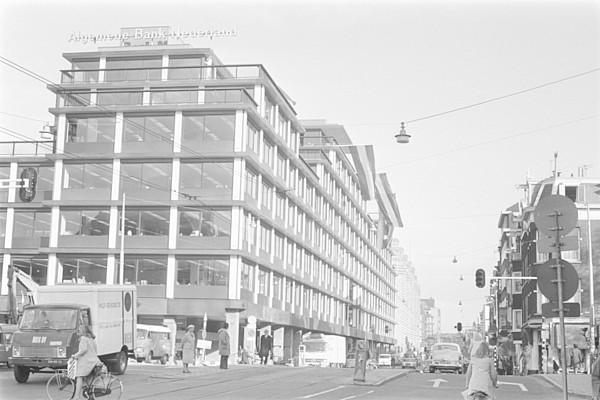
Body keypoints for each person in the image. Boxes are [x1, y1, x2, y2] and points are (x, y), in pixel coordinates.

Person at [71, 325, 101, 400]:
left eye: (80, 330)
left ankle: (76, 397)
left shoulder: (83, 338)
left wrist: (75, 355)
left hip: (87, 362)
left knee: (79, 377)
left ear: (83, 331)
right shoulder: (91, 339)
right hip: (94, 361)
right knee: (89, 378)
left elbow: (83, 350)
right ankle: (90, 395)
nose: (78, 331)